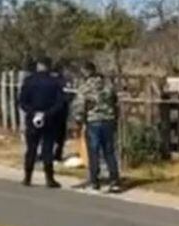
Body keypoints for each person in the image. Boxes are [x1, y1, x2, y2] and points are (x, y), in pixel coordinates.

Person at [18, 57, 66, 188]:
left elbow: (22, 101)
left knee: (31, 148)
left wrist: (33, 112)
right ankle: (49, 178)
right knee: (48, 149)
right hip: (50, 119)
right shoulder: (55, 82)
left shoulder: (29, 81)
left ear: (38, 66)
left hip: (32, 118)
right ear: (49, 66)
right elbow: (60, 102)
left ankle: (27, 177)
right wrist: (47, 113)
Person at [73, 60, 121, 192]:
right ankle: (114, 180)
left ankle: (95, 180)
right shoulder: (108, 86)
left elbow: (80, 107)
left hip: (93, 121)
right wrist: (115, 118)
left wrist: (78, 122)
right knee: (109, 151)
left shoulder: (85, 87)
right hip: (109, 120)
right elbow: (115, 102)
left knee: (93, 152)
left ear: (86, 71)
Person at [50, 60, 73, 163]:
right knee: (60, 135)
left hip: (50, 110)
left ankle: (48, 154)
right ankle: (57, 154)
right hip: (61, 111)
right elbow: (69, 96)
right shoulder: (64, 81)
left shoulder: (48, 80)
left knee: (49, 134)